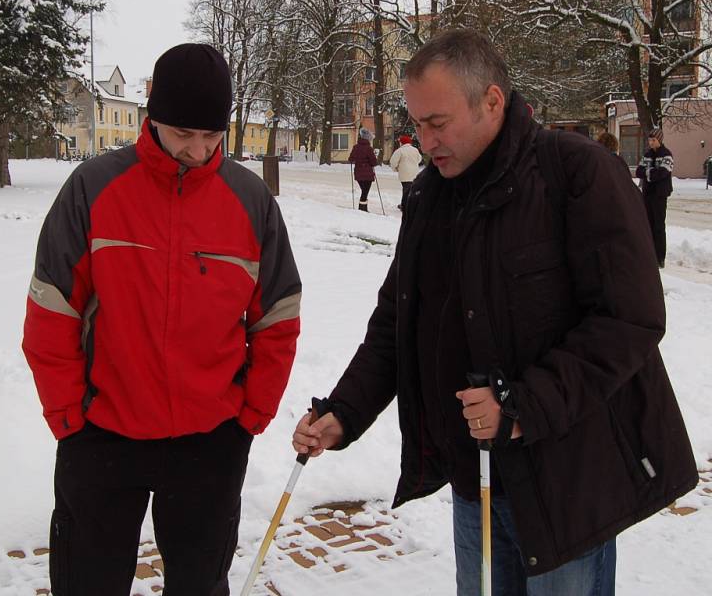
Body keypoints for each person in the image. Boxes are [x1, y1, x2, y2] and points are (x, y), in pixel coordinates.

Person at [292, 29, 696, 595]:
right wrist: (345, 411)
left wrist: (523, 405)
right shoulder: (431, 196)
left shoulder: (576, 173)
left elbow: (629, 319)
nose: (424, 141)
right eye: (417, 125)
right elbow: (396, 322)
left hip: (566, 479)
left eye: (438, 123)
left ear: (491, 101)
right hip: (475, 475)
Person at [22, 44, 301, 596]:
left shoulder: (250, 200)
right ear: (152, 119)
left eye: (212, 137)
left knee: (200, 584)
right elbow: (52, 308)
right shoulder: (94, 187)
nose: (198, 151)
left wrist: (251, 414)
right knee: (88, 583)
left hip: (209, 444)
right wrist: (68, 416)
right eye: (182, 135)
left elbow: (278, 315)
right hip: (102, 436)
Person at [636, 128, 674, 268]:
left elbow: (663, 173)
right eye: (649, 140)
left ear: (659, 140)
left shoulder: (667, 155)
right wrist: (651, 173)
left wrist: (648, 173)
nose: (651, 143)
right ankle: (650, 255)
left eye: (653, 140)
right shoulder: (647, 155)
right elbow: (638, 171)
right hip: (647, 194)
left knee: (659, 226)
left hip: (660, 195)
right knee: (648, 225)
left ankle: (660, 257)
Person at [389, 135, 423, 211]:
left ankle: (404, 206)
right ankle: (411, 205)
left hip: (404, 174)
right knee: (412, 190)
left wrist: (396, 169)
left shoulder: (400, 151)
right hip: (414, 173)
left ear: (402, 143)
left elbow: (393, 162)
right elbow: (419, 159)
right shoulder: (415, 150)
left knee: (406, 190)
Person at [349, 127, 379, 212]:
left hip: (358, 173)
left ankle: (363, 208)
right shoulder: (369, 148)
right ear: (368, 139)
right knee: (365, 192)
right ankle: (362, 209)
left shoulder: (355, 147)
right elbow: (374, 162)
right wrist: (374, 157)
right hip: (368, 174)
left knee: (364, 191)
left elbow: (350, 159)